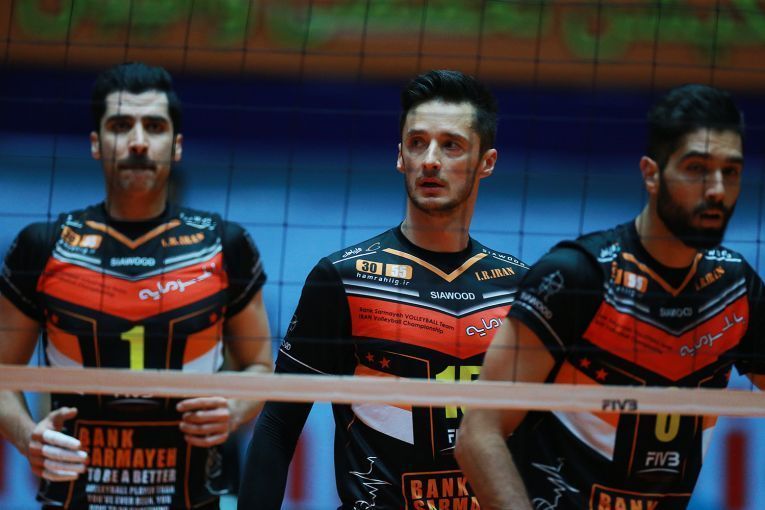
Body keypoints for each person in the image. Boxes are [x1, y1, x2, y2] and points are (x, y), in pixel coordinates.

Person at [455, 84, 765, 510]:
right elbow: (478, 432)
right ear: (651, 174)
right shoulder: (576, 276)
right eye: (696, 169)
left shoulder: (735, 288)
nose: (716, 189)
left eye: (730, 172)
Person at [238, 69, 528, 509]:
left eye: (451, 145)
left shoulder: (519, 286)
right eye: (417, 143)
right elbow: (278, 424)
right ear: (400, 157)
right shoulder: (344, 278)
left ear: (486, 162)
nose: (431, 160)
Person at [0, 62, 272, 510]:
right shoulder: (44, 246)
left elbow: (261, 367)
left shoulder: (225, 244)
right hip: (75, 498)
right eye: (121, 125)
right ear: (96, 143)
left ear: (176, 146)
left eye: (155, 127)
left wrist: (237, 408)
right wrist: (27, 436)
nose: (139, 141)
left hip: (192, 499)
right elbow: (3, 373)